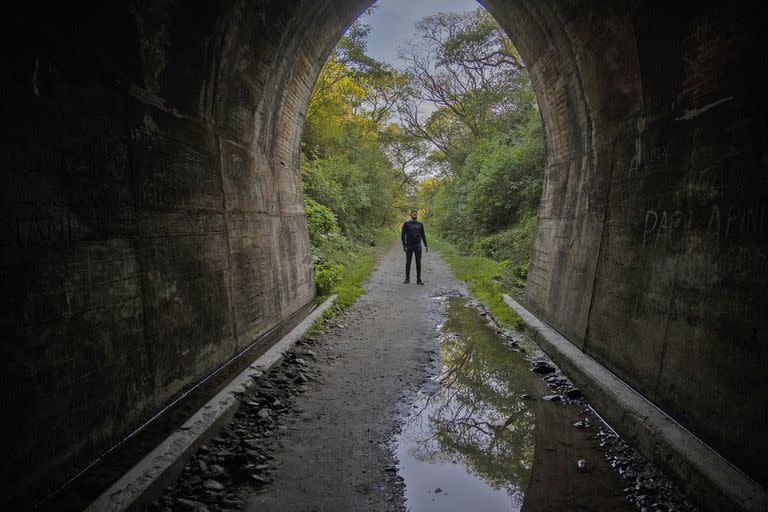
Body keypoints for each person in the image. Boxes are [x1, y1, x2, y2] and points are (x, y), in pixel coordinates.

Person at [401, 209, 428, 284]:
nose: (414, 214)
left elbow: (423, 235)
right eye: (413, 213)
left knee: (418, 263)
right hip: (409, 246)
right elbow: (403, 235)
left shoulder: (420, 224)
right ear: (411, 215)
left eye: (416, 213)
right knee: (408, 262)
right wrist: (404, 245)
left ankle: (418, 279)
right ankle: (407, 279)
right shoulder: (406, 224)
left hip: (418, 246)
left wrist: (426, 245)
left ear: (417, 215)